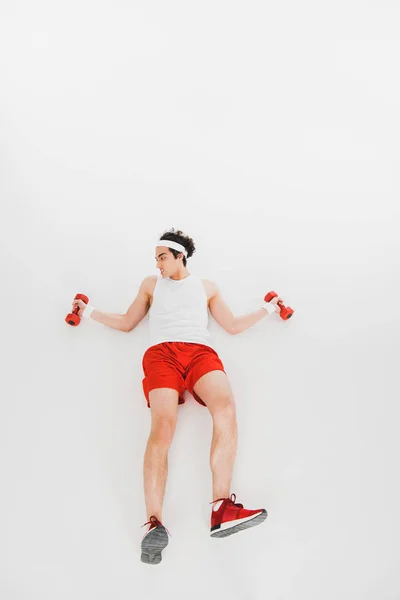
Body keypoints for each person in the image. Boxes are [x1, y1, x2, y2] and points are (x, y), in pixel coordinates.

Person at [71, 228, 282, 565]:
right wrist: (88, 309)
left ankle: (222, 508)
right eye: (156, 258)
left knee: (225, 407)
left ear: (180, 255)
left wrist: (268, 309)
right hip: (161, 355)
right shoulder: (150, 285)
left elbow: (231, 325)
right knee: (163, 425)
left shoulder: (207, 287)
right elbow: (127, 322)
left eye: (162, 257)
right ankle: (153, 522)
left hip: (200, 353)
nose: (157, 264)